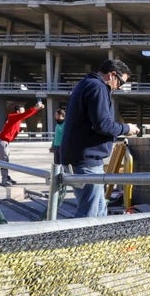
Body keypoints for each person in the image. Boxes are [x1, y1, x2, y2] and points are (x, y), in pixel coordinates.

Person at [60, 60, 141, 218]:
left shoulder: (86, 84)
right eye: (121, 82)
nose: (119, 87)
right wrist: (127, 129)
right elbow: (103, 124)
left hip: (79, 158)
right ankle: (82, 242)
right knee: (89, 214)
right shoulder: (98, 87)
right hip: (86, 161)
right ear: (112, 75)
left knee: (99, 211)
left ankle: (98, 242)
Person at [0, 100, 44, 185]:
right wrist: (36, 108)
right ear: (17, 111)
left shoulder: (16, 119)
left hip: (5, 142)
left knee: (5, 160)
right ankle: (4, 179)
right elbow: (26, 114)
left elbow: (25, 116)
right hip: (3, 141)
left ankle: (6, 177)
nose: (23, 112)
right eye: (22, 111)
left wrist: (37, 109)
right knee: (4, 161)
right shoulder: (14, 116)